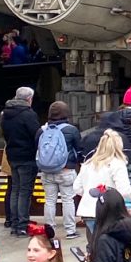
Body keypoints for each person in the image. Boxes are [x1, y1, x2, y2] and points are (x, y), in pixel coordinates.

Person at [76, 129, 131, 243]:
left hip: (88, 211)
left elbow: (77, 188)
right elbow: (124, 191)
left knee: (95, 245)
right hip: (110, 212)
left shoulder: (87, 164)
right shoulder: (117, 164)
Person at [37, 100, 82, 240]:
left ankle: (49, 231)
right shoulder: (71, 130)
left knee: (49, 200)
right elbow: (79, 149)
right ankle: (70, 231)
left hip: (46, 171)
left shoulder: (41, 131)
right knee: (68, 200)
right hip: (66, 170)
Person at [0, 87, 41, 236]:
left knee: (15, 189)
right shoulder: (28, 115)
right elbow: (37, 134)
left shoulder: (5, 114)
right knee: (24, 191)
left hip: (12, 156)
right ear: (29, 99)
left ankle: (15, 223)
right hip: (27, 157)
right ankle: (22, 224)